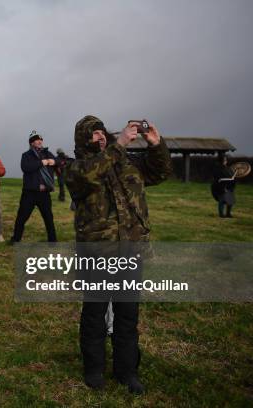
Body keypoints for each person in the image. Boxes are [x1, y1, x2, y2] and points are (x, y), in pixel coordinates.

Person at [65, 115, 172, 395]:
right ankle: (94, 369)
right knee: (95, 314)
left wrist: (156, 145)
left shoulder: (124, 162)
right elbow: (90, 174)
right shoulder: (77, 168)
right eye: (93, 134)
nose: (100, 137)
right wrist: (120, 145)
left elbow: (159, 173)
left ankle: (127, 372)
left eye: (102, 132)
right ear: (83, 140)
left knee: (127, 315)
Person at [10, 131, 59, 243]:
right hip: (30, 193)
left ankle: (53, 241)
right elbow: (26, 167)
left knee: (48, 219)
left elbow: (59, 161)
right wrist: (42, 163)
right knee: (21, 218)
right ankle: (15, 240)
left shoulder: (48, 153)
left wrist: (54, 161)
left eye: (41, 139)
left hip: (44, 193)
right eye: (37, 139)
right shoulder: (26, 155)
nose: (39, 141)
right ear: (31, 143)